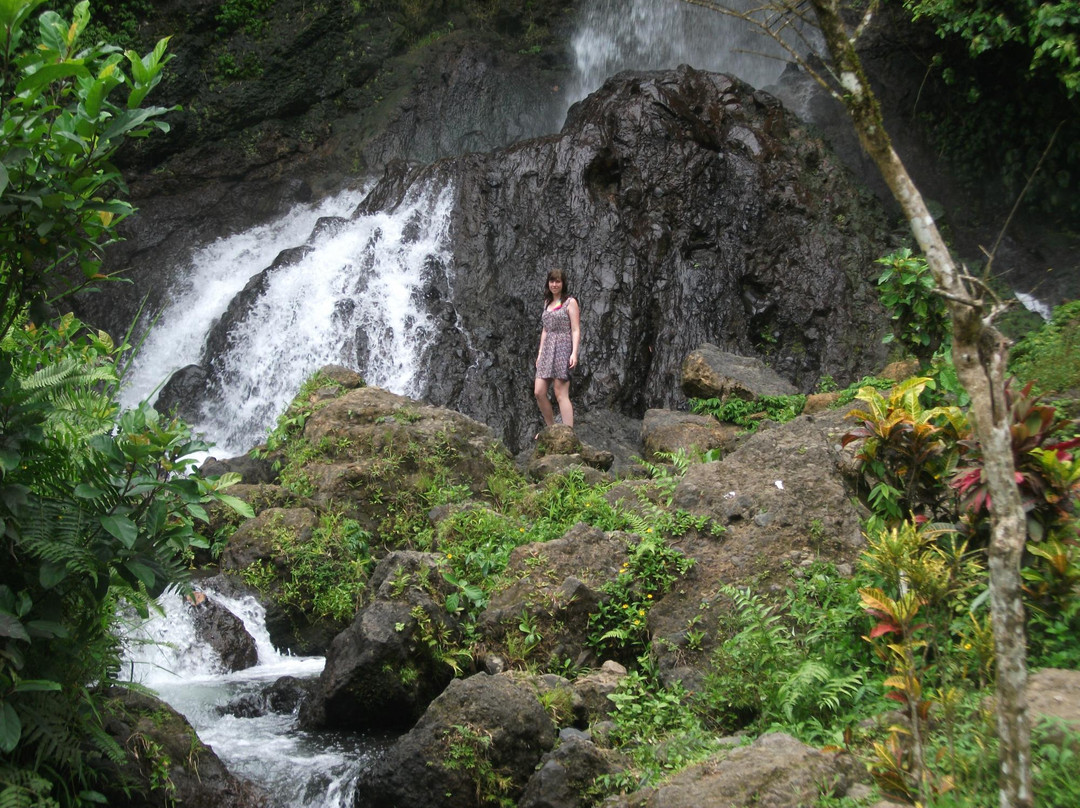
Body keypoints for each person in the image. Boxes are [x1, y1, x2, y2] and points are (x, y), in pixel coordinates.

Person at [534, 268, 581, 430]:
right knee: (539, 391)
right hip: (547, 348)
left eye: (558, 281)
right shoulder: (547, 302)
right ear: (548, 283)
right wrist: (540, 353)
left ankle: (568, 432)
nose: (554, 284)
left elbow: (575, 329)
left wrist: (574, 353)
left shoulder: (570, 302)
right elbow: (545, 329)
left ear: (563, 283)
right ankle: (551, 428)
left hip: (563, 347)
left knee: (560, 393)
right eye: (552, 281)